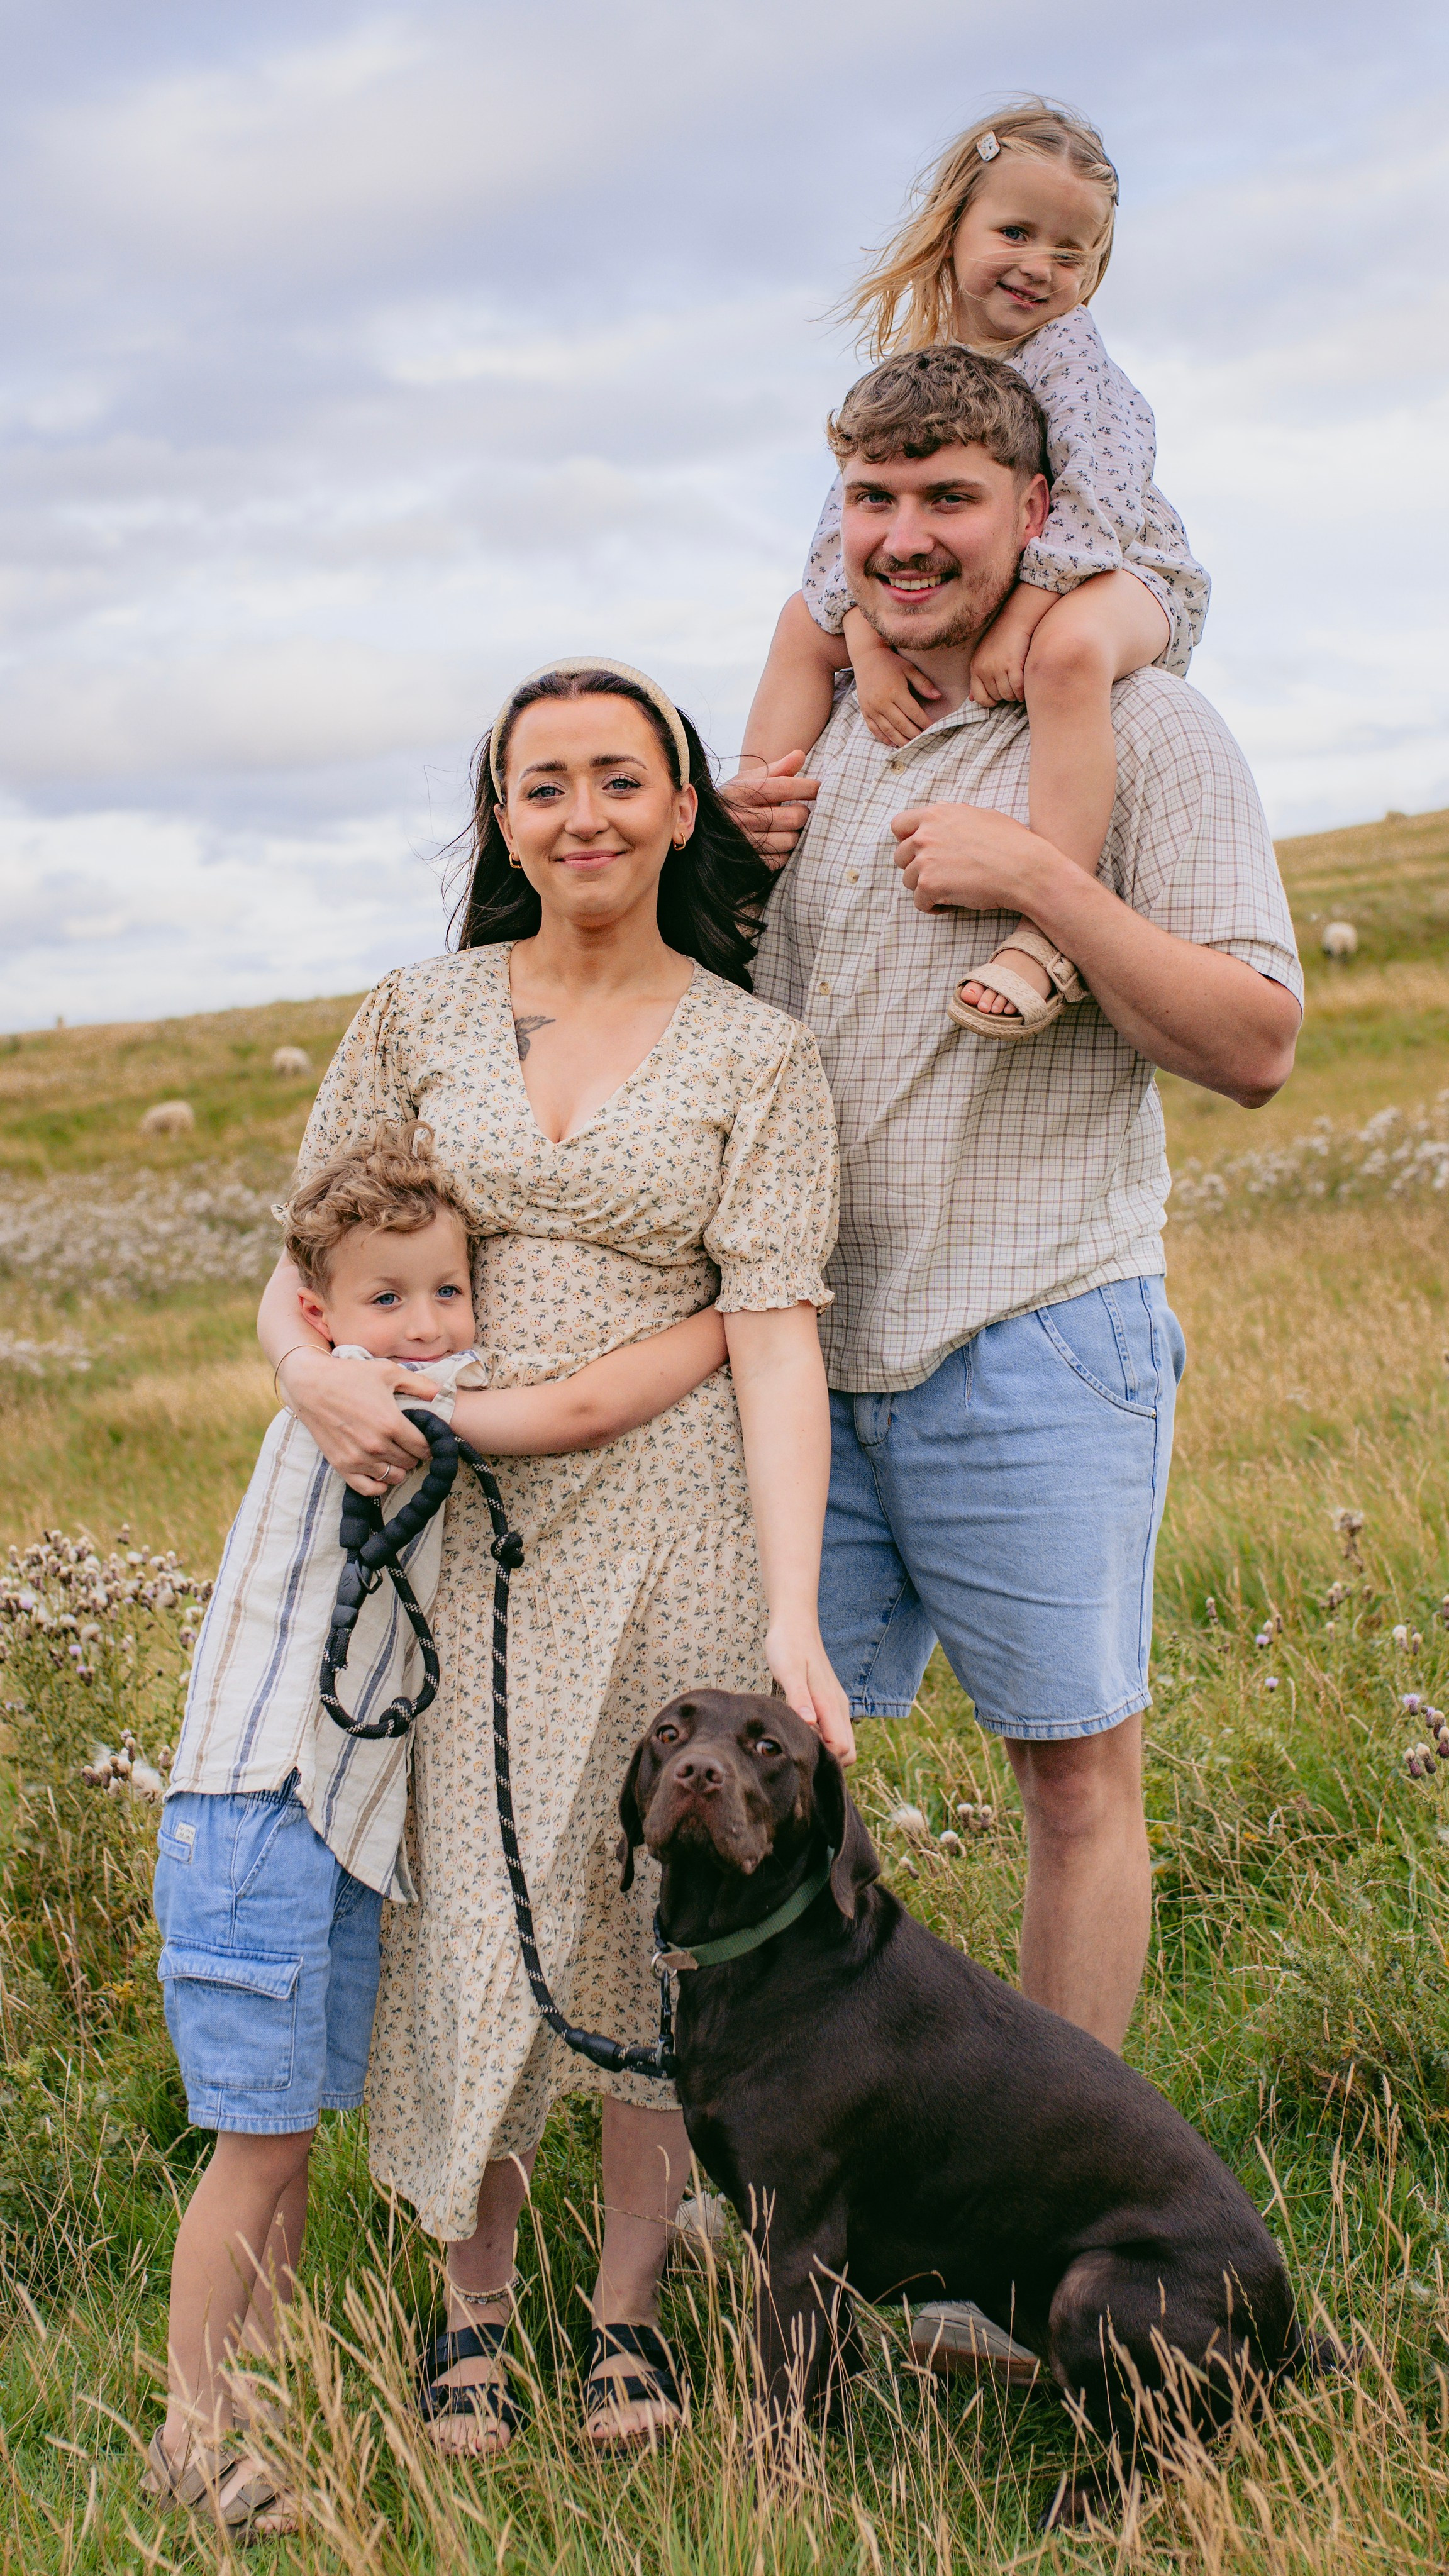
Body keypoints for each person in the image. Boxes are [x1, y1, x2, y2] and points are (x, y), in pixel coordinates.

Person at [256, 657, 849, 2457]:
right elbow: (298, 1261)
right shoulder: (419, 1015)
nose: (581, 815)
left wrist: (794, 1611)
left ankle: (629, 2324)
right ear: (504, 819)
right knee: (463, 1905)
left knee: (642, 1914)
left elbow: (775, 1330)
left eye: (617, 778)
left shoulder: (761, 1050)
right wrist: (313, 1383)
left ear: (678, 805)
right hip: (449, 1520)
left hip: (669, 1518)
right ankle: (470, 2313)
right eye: (543, 786)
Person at [748, 343, 1301, 2085]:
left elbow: (1258, 1041)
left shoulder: (1147, 728)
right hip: (806, 1373)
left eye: (950, 500)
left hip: (1041, 1333)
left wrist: (1044, 882)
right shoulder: (810, 755)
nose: (905, 541)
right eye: (874, 500)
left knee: (1071, 1780)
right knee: (762, 1767)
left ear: (1038, 512)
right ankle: (761, 2186)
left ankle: (1043, 2208)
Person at [146, 1126, 728, 2535]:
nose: (424, 1322)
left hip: (324, 1822)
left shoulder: (351, 1367)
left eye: (446, 1291)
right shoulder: (377, 1395)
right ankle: (185, 2424)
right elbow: (585, 1402)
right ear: (322, 1309)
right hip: (257, 1810)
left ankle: (265, 2399)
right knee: (254, 2148)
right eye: (387, 1296)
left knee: (287, 2142)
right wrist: (730, 1317)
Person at [741, 97, 1209, 1038]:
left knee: (1068, 658)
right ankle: (749, 844)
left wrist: (1028, 611)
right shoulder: (924, 368)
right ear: (954, 228)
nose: (1040, 267)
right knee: (802, 622)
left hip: (1122, 574)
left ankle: (1049, 926)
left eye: (1072, 254)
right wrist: (866, 648)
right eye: (1016, 232)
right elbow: (842, 534)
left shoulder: (1073, 363)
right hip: (1016, 578)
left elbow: (1100, 507)